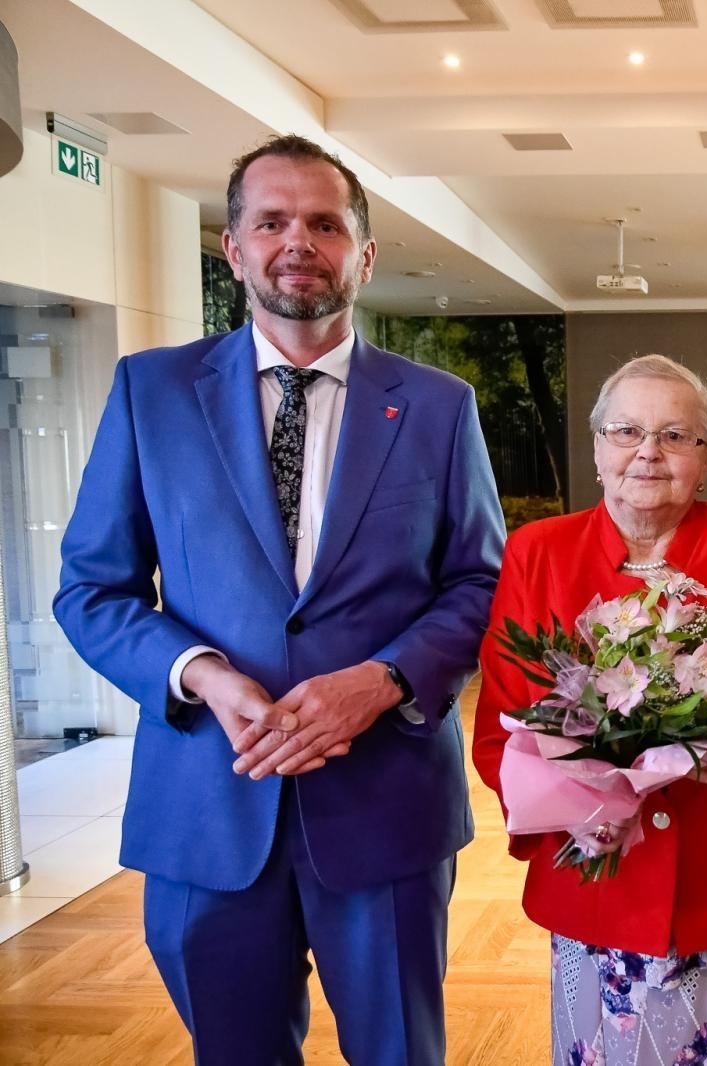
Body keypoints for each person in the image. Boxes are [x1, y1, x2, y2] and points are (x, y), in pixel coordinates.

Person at [53, 134, 505, 1064]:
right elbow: (92, 589)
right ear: (234, 248)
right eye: (271, 222)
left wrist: (382, 681)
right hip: (208, 801)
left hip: (384, 803)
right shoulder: (152, 392)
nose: (298, 241)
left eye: (325, 224)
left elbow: (480, 582)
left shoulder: (438, 405)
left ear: (364, 254)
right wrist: (203, 675)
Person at [472, 354, 707, 1066]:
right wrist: (575, 809)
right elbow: (503, 726)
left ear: (706, 459)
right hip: (602, 888)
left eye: (677, 436)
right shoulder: (537, 552)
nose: (648, 452)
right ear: (596, 448)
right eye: (626, 431)